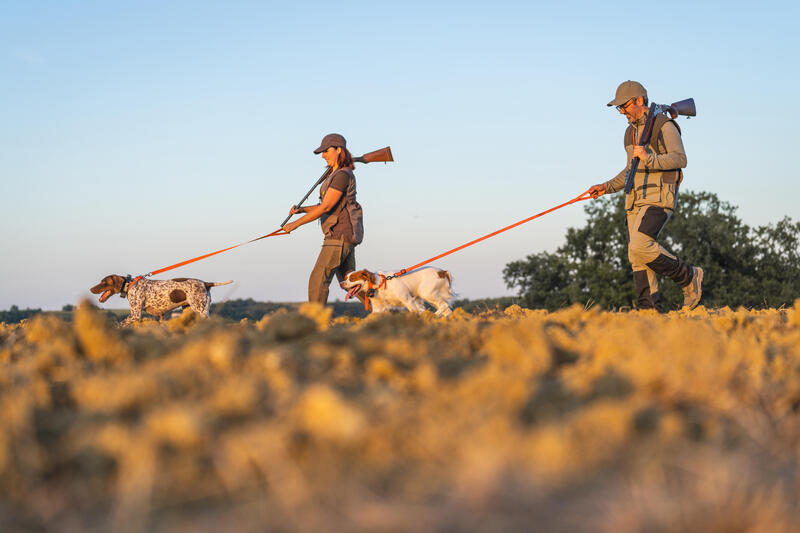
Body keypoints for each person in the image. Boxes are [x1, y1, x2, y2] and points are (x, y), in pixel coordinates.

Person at [588, 80, 703, 312]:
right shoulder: (630, 132)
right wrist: (606, 187)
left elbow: (680, 159)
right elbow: (631, 169)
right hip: (634, 199)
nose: (621, 112)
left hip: (658, 197)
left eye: (624, 106)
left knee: (640, 245)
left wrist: (649, 158)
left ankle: (689, 276)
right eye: (618, 108)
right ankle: (648, 310)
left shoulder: (664, 125)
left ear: (640, 101)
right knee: (636, 255)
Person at [282, 133, 364, 304]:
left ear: (339, 150)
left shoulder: (341, 175)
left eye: (326, 151)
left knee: (318, 280)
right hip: (343, 235)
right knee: (350, 284)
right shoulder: (336, 174)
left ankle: (315, 321)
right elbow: (329, 205)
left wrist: (294, 225)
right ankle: (382, 309)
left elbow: (326, 207)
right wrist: (302, 210)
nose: (323, 155)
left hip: (339, 235)